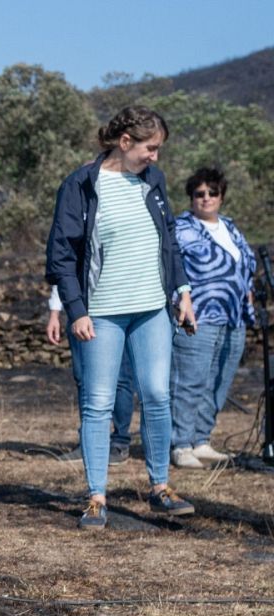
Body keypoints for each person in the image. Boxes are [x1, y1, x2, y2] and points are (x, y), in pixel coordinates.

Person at [46, 106, 196, 530]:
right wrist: (75, 310)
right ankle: (96, 497)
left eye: (159, 149)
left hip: (152, 309)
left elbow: (169, 242)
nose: (156, 157)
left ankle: (160, 488)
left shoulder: (154, 181)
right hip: (102, 314)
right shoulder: (80, 184)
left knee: (156, 395)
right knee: (98, 403)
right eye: (151, 148)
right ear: (124, 142)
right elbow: (61, 254)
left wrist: (182, 293)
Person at [170, 166, 259, 469]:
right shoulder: (181, 228)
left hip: (234, 316)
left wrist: (247, 291)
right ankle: (180, 444)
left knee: (219, 380)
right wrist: (180, 302)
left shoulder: (230, 227)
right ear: (191, 197)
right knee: (190, 380)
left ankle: (201, 439)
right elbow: (169, 269)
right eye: (199, 194)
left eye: (212, 193)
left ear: (221, 196)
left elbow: (246, 264)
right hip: (199, 315)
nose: (206, 199)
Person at [46, 287, 140, 463]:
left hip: (119, 308)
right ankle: (88, 444)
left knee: (120, 378)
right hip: (81, 310)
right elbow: (64, 270)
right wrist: (54, 313)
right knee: (83, 378)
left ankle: (119, 443)